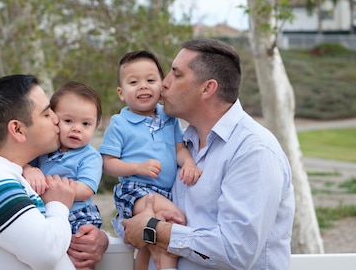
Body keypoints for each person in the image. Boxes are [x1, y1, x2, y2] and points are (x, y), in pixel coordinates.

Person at [119, 39, 296, 270]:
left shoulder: (254, 151)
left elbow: (237, 251)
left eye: (177, 74)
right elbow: (135, 204)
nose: (164, 83)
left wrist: (155, 230)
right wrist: (115, 231)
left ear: (207, 88)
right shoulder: (179, 144)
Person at [0, 74, 108, 270]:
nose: (55, 118)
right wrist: (58, 203)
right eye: (46, 113)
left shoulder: (9, 173)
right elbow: (47, 253)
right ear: (17, 129)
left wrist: (99, 239)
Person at [99, 50, 202, 270]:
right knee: (176, 220)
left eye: (151, 80)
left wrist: (189, 163)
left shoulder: (169, 117)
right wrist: (137, 167)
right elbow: (107, 162)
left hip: (164, 193)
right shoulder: (120, 123)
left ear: (161, 86)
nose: (143, 86)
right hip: (134, 189)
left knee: (148, 245)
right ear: (121, 92)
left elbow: (179, 148)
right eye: (134, 82)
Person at [23, 81, 103, 238]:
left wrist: (50, 186)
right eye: (68, 121)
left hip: (77, 213)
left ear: (96, 126)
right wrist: (29, 169)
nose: (77, 128)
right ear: (53, 118)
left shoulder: (90, 156)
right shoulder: (44, 150)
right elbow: (22, 163)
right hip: (45, 212)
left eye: (86, 123)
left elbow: (86, 189)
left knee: (80, 244)